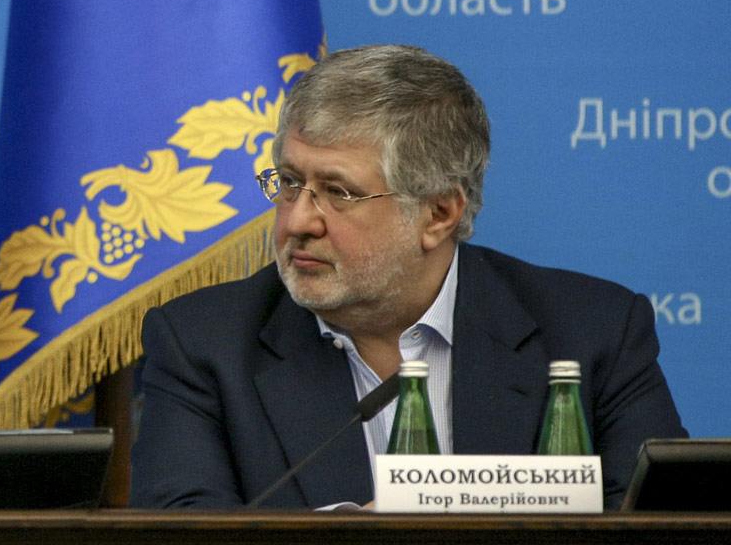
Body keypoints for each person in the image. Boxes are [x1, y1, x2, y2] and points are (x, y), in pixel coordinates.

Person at [128, 44, 687, 511]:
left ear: (438, 214)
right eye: (290, 182)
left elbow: (660, 524)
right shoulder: (202, 344)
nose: (297, 221)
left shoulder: (593, 333)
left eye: (338, 193)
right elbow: (182, 529)